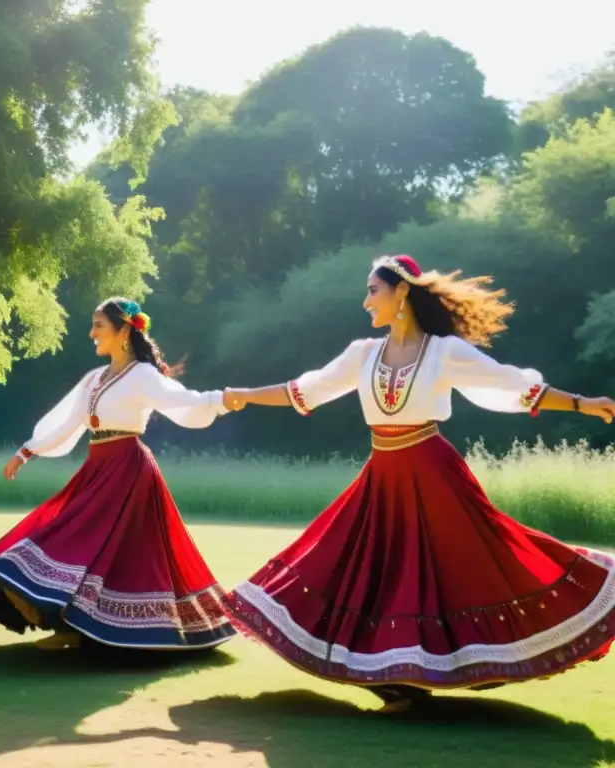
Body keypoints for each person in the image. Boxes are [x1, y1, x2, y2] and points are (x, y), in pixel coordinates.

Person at [220, 255, 615, 712]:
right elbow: (305, 390)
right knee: (365, 567)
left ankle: (450, 666)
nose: (366, 300)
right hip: (383, 473)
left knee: (462, 562)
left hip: (432, 473)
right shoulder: (362, 354)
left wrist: (584, 404)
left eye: (373, 290)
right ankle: (399, 679)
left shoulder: (445, 352)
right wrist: (246, 396)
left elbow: (513, 387)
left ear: (401, 291)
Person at [0, 297, 241, 651]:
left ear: (124, 331)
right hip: (98, 467)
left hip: (128, 471)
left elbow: (184, 402)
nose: (91, 333)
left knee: (104, 550)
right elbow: (68, 420)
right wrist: (27, 450)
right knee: (70, 539)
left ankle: (79, 630)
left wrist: (221, 400)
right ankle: (67, 626)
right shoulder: (94, 379)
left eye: (99, 325)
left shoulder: (144, 376)